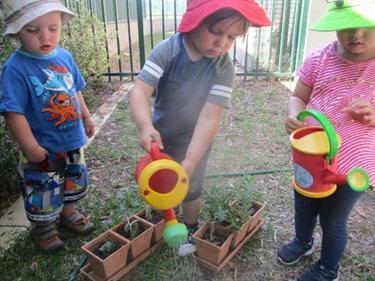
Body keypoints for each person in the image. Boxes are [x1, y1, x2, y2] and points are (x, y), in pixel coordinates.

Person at [129, 0, 271, 256]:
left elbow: (209, 117)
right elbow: (140, 91)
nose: (222, 43)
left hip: (194, 140)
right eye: (216, 31)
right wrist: (145, 126)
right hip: (159, 136)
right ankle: (161, 212)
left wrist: (192, 159)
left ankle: (191, 227)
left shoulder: (223, 67)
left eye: (232, 37)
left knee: (191, 189)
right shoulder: (167, 50)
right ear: (193, 21)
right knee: (159, 181)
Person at [277, 1, 375, 280]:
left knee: (333, 219)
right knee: (304, 205)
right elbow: (298, 96)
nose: (357, 35)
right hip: (310, 156)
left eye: (367, 26)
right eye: (347, 26)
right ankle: (303, 242)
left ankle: (327, 268)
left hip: (351, 166)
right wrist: (294, 115)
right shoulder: (319, 58)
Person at [0, 0, 95, 253]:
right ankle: (43, 228)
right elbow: (13, 111)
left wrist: (86, 117)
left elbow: (75, 89)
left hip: (72, 140)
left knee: (72, 179)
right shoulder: (16, 68)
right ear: (17, 31)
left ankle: (68, 213)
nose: (45, 36)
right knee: (42, 187)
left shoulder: (64, 57)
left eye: (53, 28)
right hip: (42, 147)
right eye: (33, 30)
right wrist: (30, 147)